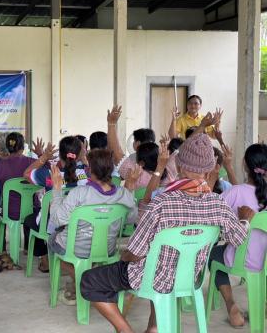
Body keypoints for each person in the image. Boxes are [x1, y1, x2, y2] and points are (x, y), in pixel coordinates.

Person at [80, 133, 248, 333]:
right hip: (188, 277)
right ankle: (154, 326)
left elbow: (136, 252)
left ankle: (126, 330)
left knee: (89, 281)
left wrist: (124, 257)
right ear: (211, 169)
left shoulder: (162, 203)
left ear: (179, 167)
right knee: (160, 259)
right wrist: (245, 220)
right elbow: (239, 237)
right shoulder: (217, 204)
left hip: (152, 276)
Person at [48, 149, 138, 305]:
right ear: (111, 170)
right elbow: (131, 219)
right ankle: (92, 279)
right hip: (107, 248)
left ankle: (81, 281)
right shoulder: (123, 194)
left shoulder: (79, 193)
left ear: (89, 170)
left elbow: (58, 219)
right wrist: (130, 190)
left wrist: (57, 190)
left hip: (76, 248)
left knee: (52, 240)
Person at [208, 143, 267, 328]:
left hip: (239, 262)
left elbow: (208, 211)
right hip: (264, 262)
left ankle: (231, 306)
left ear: (245, 165)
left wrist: (213, 178)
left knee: (214, 254)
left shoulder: (234, 192)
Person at [22, 136, 89, 273]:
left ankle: (45, 258)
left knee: (29, 220)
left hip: (53, 224)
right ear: (79, 154)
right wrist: (84, 158)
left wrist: (44, 157)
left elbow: (26, 174)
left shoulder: (49, 174)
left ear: (59, 154)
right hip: (79, 223)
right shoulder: (86, 173)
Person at [108, 106, 174, 189]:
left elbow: (117, 153)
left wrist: (111, 124)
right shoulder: (169, 174)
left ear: (141, 163)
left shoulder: (139, 175)